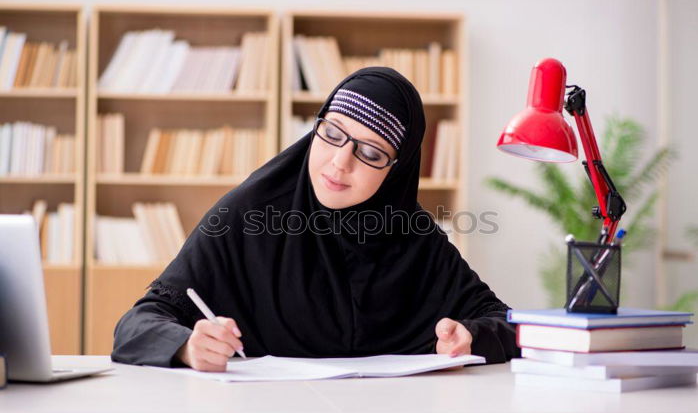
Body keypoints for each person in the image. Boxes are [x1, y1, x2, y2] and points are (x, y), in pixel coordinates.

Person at [112, 67, 519, 371]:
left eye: (371, 153)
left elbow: (507, 324)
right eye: (333, 134)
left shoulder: (416, 238)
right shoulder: (248, 215)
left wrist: (471, 337)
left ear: (395, 171)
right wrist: (186, 345)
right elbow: (135, 325)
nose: (339, 163)